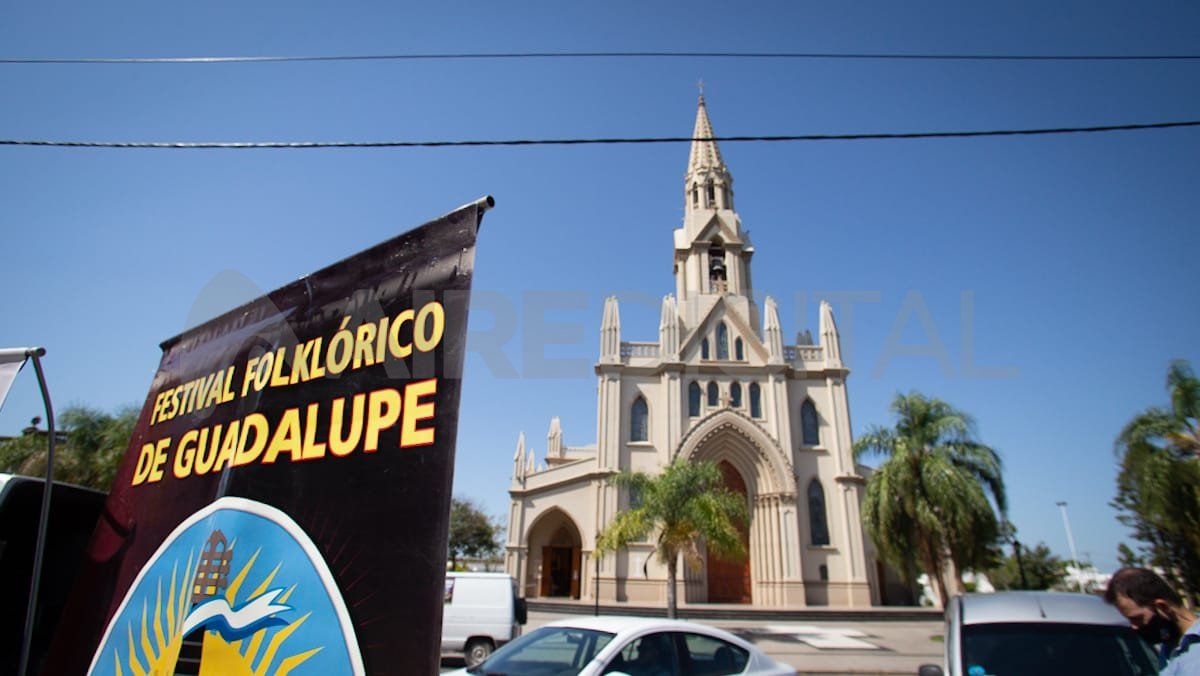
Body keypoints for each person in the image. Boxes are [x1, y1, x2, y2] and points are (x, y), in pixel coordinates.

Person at [1104, 567, 1199, 674]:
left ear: (1162, 607)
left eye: (1137, 618)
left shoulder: (1195, 649)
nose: (1134, 626)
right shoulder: (1169, 647)